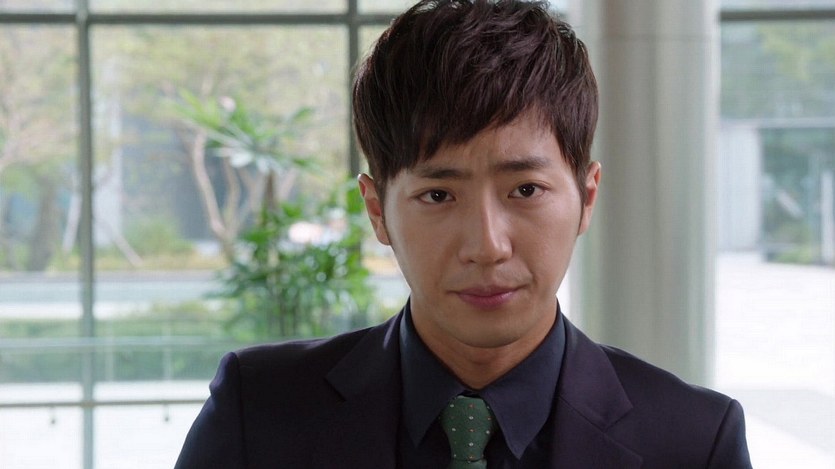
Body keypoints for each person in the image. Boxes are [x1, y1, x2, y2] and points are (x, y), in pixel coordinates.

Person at [175, 0, 752, 467]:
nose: (487, 246)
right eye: (438, 195)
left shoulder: (694, 440)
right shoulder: (258, 412)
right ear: (377, 211)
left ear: (586, 198)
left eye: (525, 190)